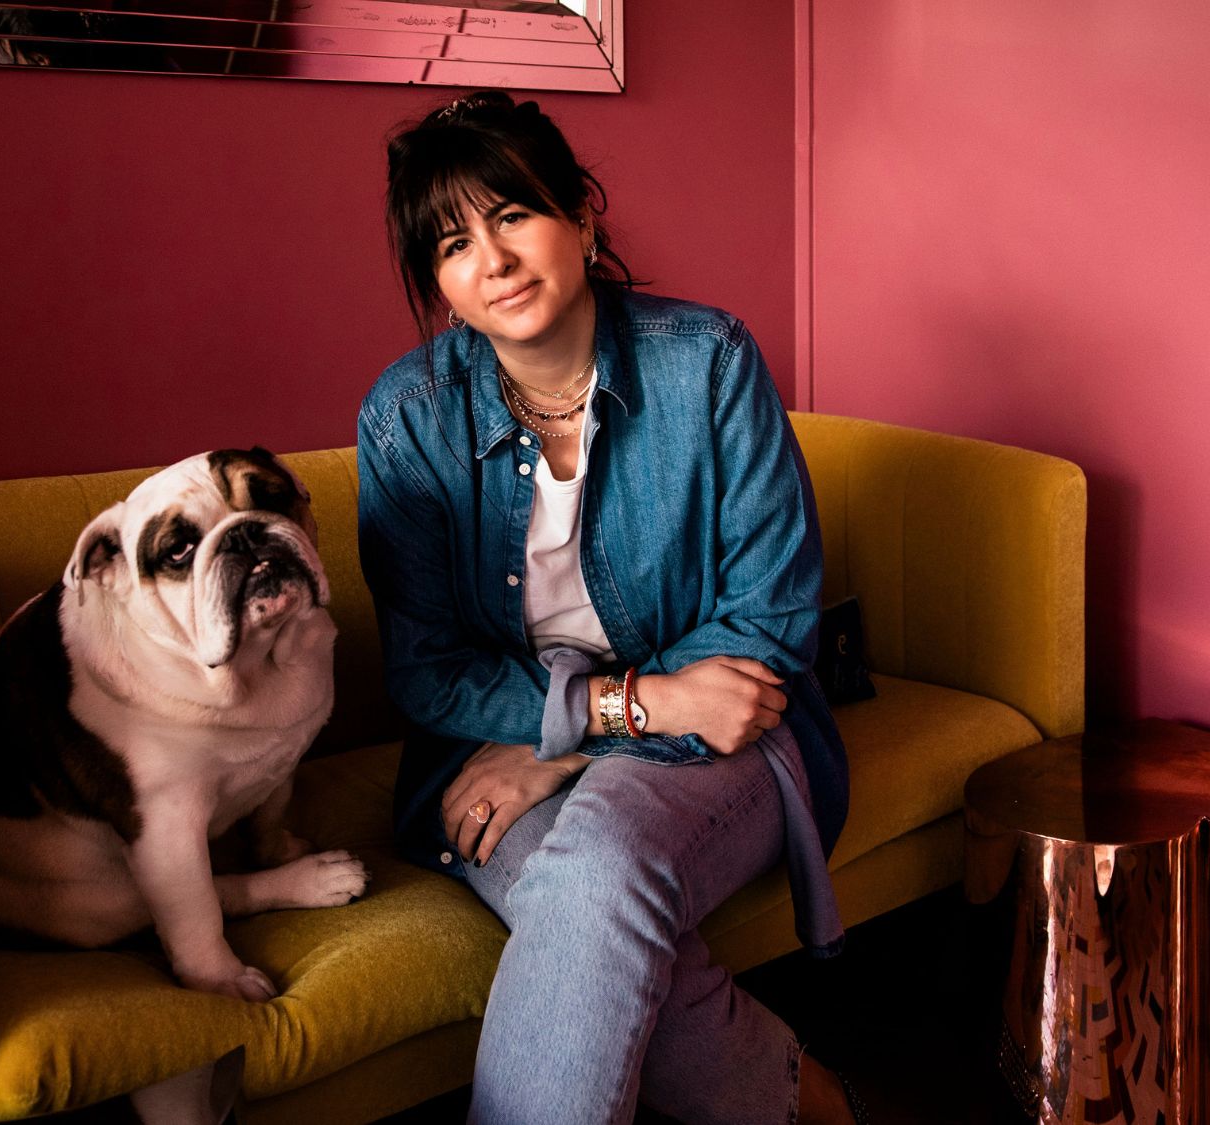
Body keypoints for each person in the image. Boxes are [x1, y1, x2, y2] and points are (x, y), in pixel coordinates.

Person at [356, 91, 864, 1125]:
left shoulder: (709, 364)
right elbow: (423, 670)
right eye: (452, 244)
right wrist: (614, 714)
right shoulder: (404, 419)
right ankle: (806, 1105)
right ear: (439, 288)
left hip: (728, 740)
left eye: (511, 215)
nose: (490, 260)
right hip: (495, 748)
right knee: (591, 896)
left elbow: (767, 622)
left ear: (581, 220)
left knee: (593, 863)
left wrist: (568, 742)